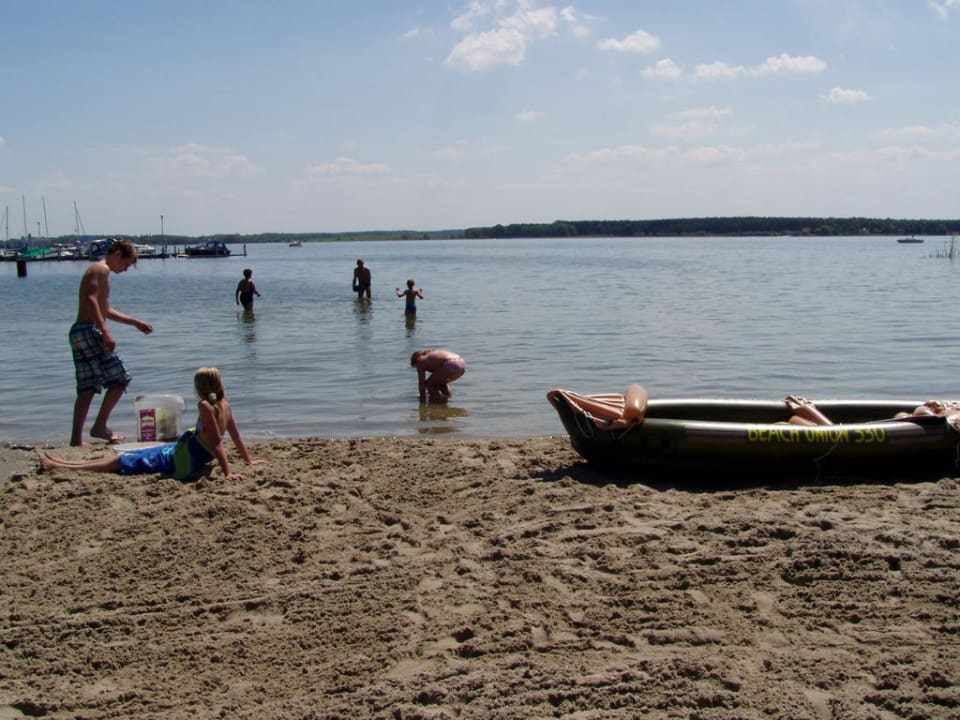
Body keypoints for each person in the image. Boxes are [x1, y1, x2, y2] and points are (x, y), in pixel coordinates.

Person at [41, 367, 262, 482]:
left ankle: (58, 466)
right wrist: (248, 460)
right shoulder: (225, 404)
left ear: (199, 387)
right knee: (125, 457)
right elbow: (235, 436)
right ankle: (61, 463)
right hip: (184, 451)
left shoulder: (205, 406)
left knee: (123, 461)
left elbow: (216, 443)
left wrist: (227, 472)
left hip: (183, 456)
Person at [70, 238, 153, 446]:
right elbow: (90, 299)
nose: (125, 270)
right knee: (120, 379)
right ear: (117, 254)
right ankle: (99, 426)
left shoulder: (98, 271)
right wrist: (105, 330)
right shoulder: (101, 269)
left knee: (87, 387)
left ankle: (76, 439)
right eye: (125, 264)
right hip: (89, 331)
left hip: (80, 331)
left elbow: (104, 309)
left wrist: (134, 322)